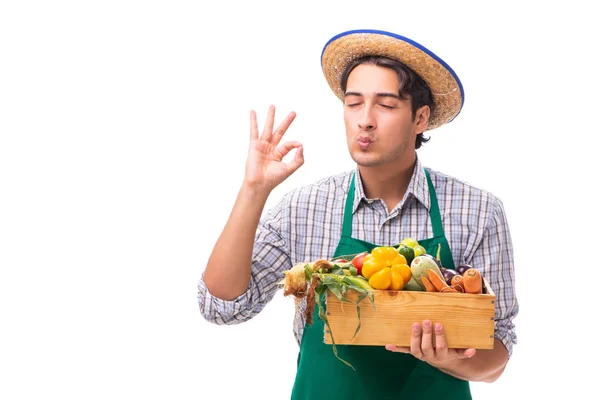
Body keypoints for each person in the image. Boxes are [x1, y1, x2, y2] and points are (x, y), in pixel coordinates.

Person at [197, 29, 518, 399]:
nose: (365, 120)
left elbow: (499, 349)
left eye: (385, 105)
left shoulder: (477, 211)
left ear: (420, 118)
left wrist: (447, 358)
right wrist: (253, 190)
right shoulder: (304, 208)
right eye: (353, 103)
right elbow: (221, 306)